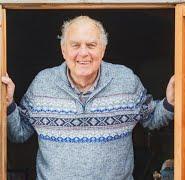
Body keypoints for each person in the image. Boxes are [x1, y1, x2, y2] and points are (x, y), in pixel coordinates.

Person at [1, 16, 175, 180]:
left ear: (103, 49)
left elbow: (151, 119)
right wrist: (7, 105)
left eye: (91, 45)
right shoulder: (42, 84)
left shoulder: (126, 81)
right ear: (63, 50)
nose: (83, 53)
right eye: (75, 45)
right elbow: (19, 133)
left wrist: (170, 102)